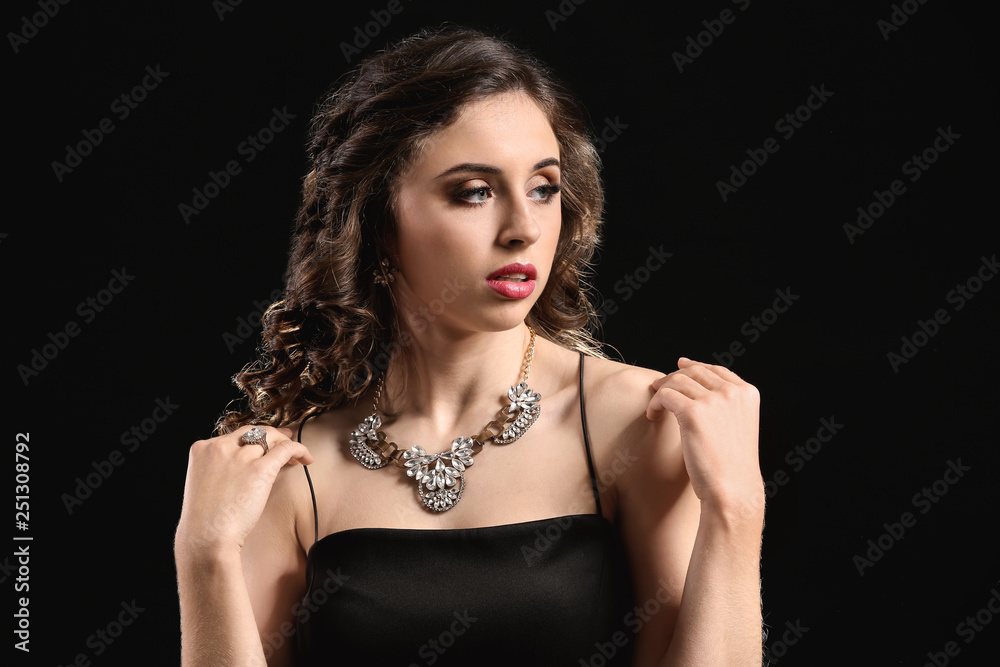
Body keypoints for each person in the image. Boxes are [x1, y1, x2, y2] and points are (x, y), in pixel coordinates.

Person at [174, 24, 765, 667]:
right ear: (375, 219)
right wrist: (204, 558)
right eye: (474, 192)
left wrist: (736, 515)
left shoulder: (644, 423)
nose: (524, 227)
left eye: (543, 187)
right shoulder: (287, 464)